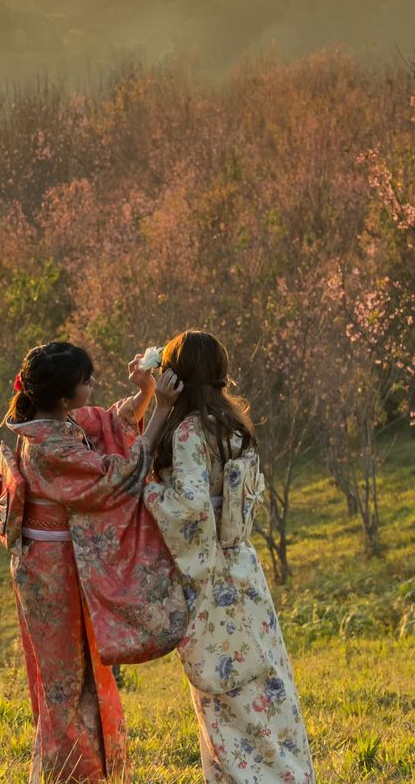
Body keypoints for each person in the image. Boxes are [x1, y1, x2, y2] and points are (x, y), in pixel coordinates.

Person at [2, 340, 181, 783]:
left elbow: (108, 422)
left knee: (81, 675)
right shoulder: (47, 447)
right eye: (86, 382)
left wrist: (143, 394)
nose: (91, 388)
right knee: (65, 682)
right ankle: (74, 774)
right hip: (50, 572)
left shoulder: (52, 424)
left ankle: (90, 771)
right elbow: (115, 479)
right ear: (64, 398)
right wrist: (161, 409)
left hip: (57, 563)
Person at [142, 330, 314, 783]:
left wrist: (150, 490)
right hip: (244, 568)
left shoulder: (188, 432)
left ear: (176, 377)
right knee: (266, 686)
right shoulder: (235, 427)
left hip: (210, 577)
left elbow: (192, 511)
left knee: (225, 696)